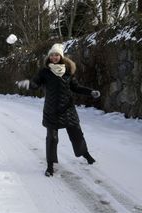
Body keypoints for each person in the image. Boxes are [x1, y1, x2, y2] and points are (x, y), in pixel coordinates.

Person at [16, 43, 101, 177]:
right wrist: (28, 84)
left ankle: (86, 154)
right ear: (49, 57)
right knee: (52, 139)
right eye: (52, 55)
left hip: (68, 110)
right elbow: (35, 83)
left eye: (56, 55)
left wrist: (91, 92)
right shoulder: (44, 72)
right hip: (51, 110)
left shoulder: (68, 72)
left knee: (77, 135)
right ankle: (50, 165)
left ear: (61, 56)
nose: (54, 57)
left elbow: (76, 87)